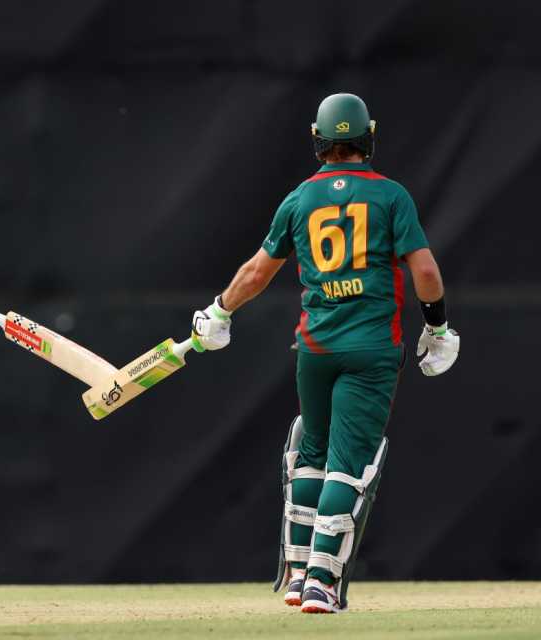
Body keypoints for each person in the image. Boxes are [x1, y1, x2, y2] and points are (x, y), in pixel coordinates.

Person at [189, 93, 459, 613]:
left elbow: (256, 272)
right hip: (371, 348)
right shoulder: (390, 197)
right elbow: (424, 272)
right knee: (350, 463)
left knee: (309, 455)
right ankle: (321, 583)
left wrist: (218, 312)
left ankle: (295, 575)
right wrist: (439, 328)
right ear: (367, 137)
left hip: (314, 348)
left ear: (319, 140)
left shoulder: (299, 200)